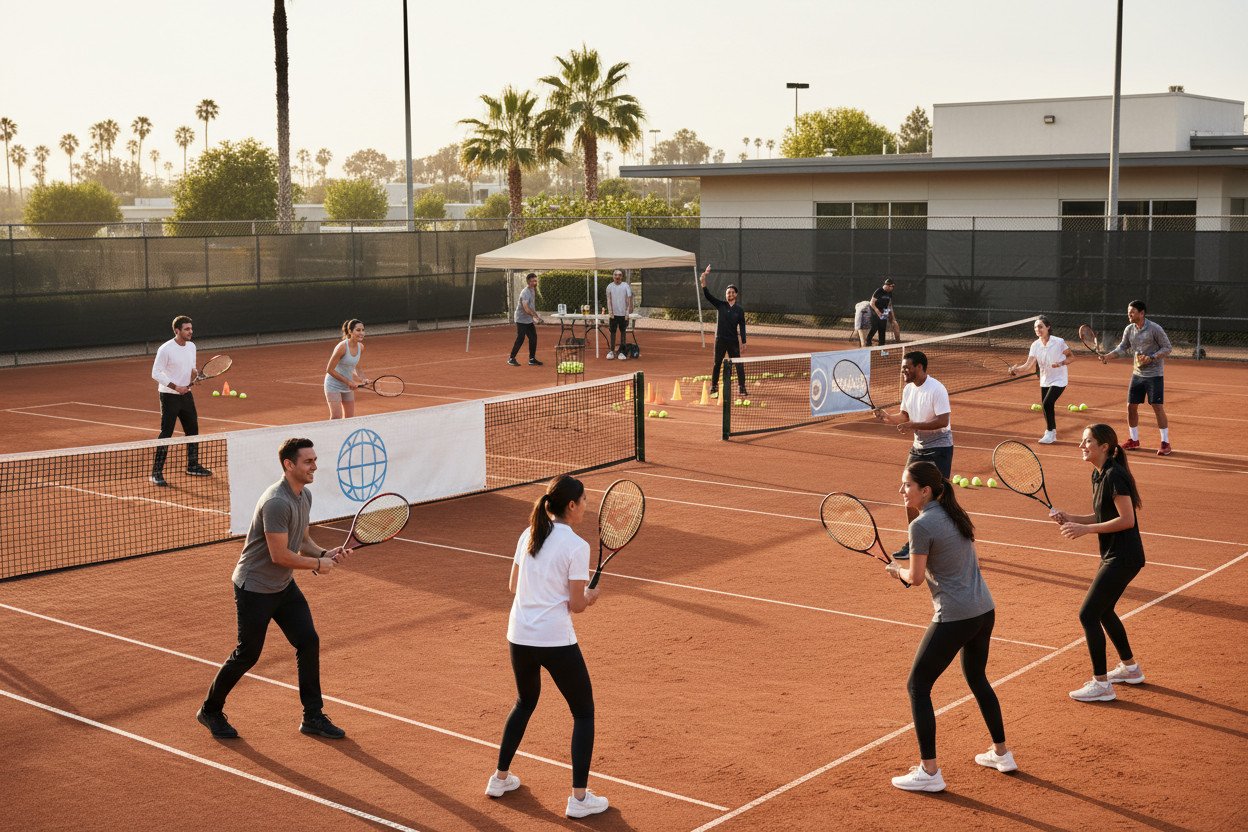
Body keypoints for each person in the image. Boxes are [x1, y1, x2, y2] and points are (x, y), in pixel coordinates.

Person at [196, 438, 349, 740]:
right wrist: (317, 566)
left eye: (315, 460)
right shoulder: (276, 502)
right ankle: (210, 710)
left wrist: (322, 554)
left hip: (282, 586)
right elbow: (279, 555)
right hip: (254, 588)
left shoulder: (303, 496)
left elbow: (302, 541)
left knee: (307, 641)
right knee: (247, 655)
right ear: (289, 465)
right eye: (308, 461)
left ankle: (313, 716)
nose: (315, 466)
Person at [886, 461, 1014, 792]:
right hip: (984, 610)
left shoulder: (921, 526)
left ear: (925, 490)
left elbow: (914, 578)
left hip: (956, 615)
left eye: (906, 485)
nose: (901, 491)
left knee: (918, 686)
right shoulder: (954, 514)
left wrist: (895, 572)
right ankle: (1002, 754)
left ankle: (929, 773)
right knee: (977, 678)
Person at [486, 475, 608, 818]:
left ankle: (499, 778)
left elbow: (513, 585)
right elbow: (576, 605)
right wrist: (590, 597)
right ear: (571, 505)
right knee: (583, 713)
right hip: (554, 639)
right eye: (584, 501)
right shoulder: (575, 546)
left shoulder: (528, 534)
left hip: (519, 635)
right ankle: (580, 800)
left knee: (524, 702)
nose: (586, 506)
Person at [1051, 424, 1147, 702]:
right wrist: (1073, 518)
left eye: (1087, 441)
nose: (1082, 446)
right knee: (1103, 612)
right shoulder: (1100, 474)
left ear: (1104, 446)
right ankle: (1130, 669)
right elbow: (1101, 514)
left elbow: (1126, 520)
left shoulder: (1115, 476)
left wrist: (1085, 530)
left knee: (1088, 615)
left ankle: (1101, 684)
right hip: (1118, 555)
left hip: (1124, 556)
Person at [874, 350, 953, 560]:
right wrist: (888, 417)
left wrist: (912, 425)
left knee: (939, 497)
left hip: (939, 447)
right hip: (918, 447)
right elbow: (905, 416)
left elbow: (943, 421)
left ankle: (950, 539)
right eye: (902, 368)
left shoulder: (937, 389)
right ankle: (915, 542)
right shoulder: (908, 389)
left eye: (906, 367)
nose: (903, 371)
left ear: (919, 367)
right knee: (908, 494)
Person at [1101, 300, 1173, 456]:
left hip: (1154, 375)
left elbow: (1167, 348)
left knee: (1157, 407)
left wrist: (1152, 357)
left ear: (1142, 313)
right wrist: (1108, 356)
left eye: (1132, 312)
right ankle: (1134, 440)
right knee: (1130, 406)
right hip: (1137, 374)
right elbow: (1122, 348)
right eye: (1128, 312)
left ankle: (1165, 443)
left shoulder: (1155, 329)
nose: (1129, 314)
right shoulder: (1129, 329)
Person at [150, 315, 212, 487]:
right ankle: (156, 473)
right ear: (177, 331)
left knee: (192, 429)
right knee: (166, 434)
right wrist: (176, 386)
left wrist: (196, 374)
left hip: (186, 395)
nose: (190, 332)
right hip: (169, 396)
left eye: (191, 329)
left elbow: (191, 367)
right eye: (187, 329)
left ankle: (193, 465)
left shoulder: (192, 346)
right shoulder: (165, 349)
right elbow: (155, 373)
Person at [1008, 315, 1074, 444]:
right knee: (1046, 406)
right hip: (1045, 379)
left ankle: (1050, 432)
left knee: (1047, 403)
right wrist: (1016, 369)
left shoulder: (1059, 342)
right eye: (1035, 327)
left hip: (1059, 379)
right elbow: (1028, 365)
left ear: (1048, 327)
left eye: (1040, 326)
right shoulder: (1035, 345)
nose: (1037, 329)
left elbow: (1072, 357)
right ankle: (1052, 432)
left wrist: (1061, 363)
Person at [699, 264, 748, 398]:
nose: (730, 294)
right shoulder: (720, 305)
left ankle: (742, 388)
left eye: (732, 292)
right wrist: (704, 280)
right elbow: (708, 295)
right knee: (717, 363)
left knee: (738, 364)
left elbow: (742, 326)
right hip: (720, 339)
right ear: (726, 295)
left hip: (733, 341)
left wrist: (743, 341)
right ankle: (714, 387)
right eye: (728, 292)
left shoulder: (739, 310)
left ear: (736, 294)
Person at [324, 319, 368, 420]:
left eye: (363, 330)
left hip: (347, 386)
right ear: (350, 331)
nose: (361, 333)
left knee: (350, 418)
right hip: (333, 385)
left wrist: (363, 379)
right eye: (358, 330)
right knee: (336, 417)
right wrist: (348, 381)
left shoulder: (361, 347)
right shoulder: (342, 347)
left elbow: (357, 367)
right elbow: (329, 369)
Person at [508, 273, 544, 366]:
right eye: (532, 281)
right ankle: (511, 358)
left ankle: (532, 359)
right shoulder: (525, 292)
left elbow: (531, 307)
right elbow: (526, 308)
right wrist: (535, 317)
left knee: (533, 338)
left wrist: (537, 316)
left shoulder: (533, 290)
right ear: (528, 282)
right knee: (521, 338)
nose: (534, 282)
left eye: (535, 280)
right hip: (521, 319)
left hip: (528, 319)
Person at [605, 269, 634, 360]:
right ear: (613, 276)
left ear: (622, 276)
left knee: (623, 333)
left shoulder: (625, 286)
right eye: (615, 275)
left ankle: (622, 352)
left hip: (623, 315)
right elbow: (609, 300)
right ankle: (611, 351)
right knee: (612, 333)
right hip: (613, 315)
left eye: (619, 275)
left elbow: (629, 299)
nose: (617, 277)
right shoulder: (609, 286)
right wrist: (610, 312)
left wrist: (627, 313)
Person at [866, 278, 896, 348]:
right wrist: (878, 312)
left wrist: (891, 315)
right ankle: (868, 340)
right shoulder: (879, 291)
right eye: (892, 286)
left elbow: (889, 304)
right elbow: (872, 303)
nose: (893, 288)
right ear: (887, 285)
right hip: (874, 309)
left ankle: (881, 345)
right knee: (875, 326)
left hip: (884, 310)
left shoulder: (890, 293)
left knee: (882, 327)